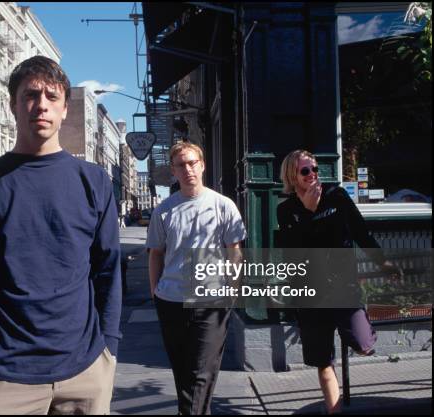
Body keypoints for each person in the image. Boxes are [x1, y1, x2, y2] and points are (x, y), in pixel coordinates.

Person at [0, 56, 122, 415]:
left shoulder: (93, 181)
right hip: (8, 376)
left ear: (64, 110)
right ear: (13, 105)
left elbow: (107, 268)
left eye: (51, 96)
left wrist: (109, 348)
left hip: (87, 369)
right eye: (30, 94)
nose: (41, 104)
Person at [277, 149, 400, 414]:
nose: (312, 175)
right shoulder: (286, 210)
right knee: (323, 361)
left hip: (343, 287)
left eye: (315, 169)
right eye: (305, 171)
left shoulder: (337, 196)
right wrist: (308, 214)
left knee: (364, 344)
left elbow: (361, 232)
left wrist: (383, 262)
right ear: (292, 175)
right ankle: (334, 410)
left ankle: (360, 333)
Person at [147, 142, 247, 415]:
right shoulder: (164, 210)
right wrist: (155, 291)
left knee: (202, 371)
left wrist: (233, 290)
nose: (188, 169)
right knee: (182, 372)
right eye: (181, 165)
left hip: (212, 301)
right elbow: (156, 253)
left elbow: (234, 252)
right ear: (173, 171)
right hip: (171, 301)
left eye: (192, 163)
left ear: (202, 165)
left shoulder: (223, 205)